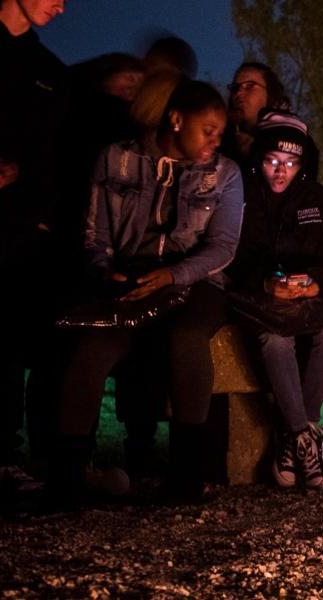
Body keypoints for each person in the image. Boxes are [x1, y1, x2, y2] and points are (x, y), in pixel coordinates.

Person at [51, 80, 243, 504]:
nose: (216, 139)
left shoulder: (225, 173)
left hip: (196, 281)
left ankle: (186, 476)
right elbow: (94, 232)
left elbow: (223, 246)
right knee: (94, 347)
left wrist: (174, 275)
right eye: (207, 128)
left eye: (220, 131)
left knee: (187, 340)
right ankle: (67, 478)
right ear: (176, 120)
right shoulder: (116, 159)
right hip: (131, 277)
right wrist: (106, 272)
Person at [0, 0, 69, 491]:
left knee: (37, 346)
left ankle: (43, 457)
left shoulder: (47, 70)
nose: (61, 5)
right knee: (5, 346)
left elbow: (54, 156)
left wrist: (22, 174)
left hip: (33, 227)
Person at [228, 110, 323, 487]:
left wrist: (316, 284)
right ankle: (304, 436)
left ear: (303, 163)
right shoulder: (240, 195)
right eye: (272, 161)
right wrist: (264, 286)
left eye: (291, 163)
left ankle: (293, 434)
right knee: (274, 338)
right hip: (259, 300)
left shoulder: (317, 198)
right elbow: (227, 257)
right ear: (259, 159)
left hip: (311, 298)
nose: (281, 171)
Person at [223, 62, 288, 165]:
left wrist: (256, 155)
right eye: (235, 88)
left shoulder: (291, 137)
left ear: (270, 93)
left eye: (249, 86)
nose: (239, 93)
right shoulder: (220, 138)